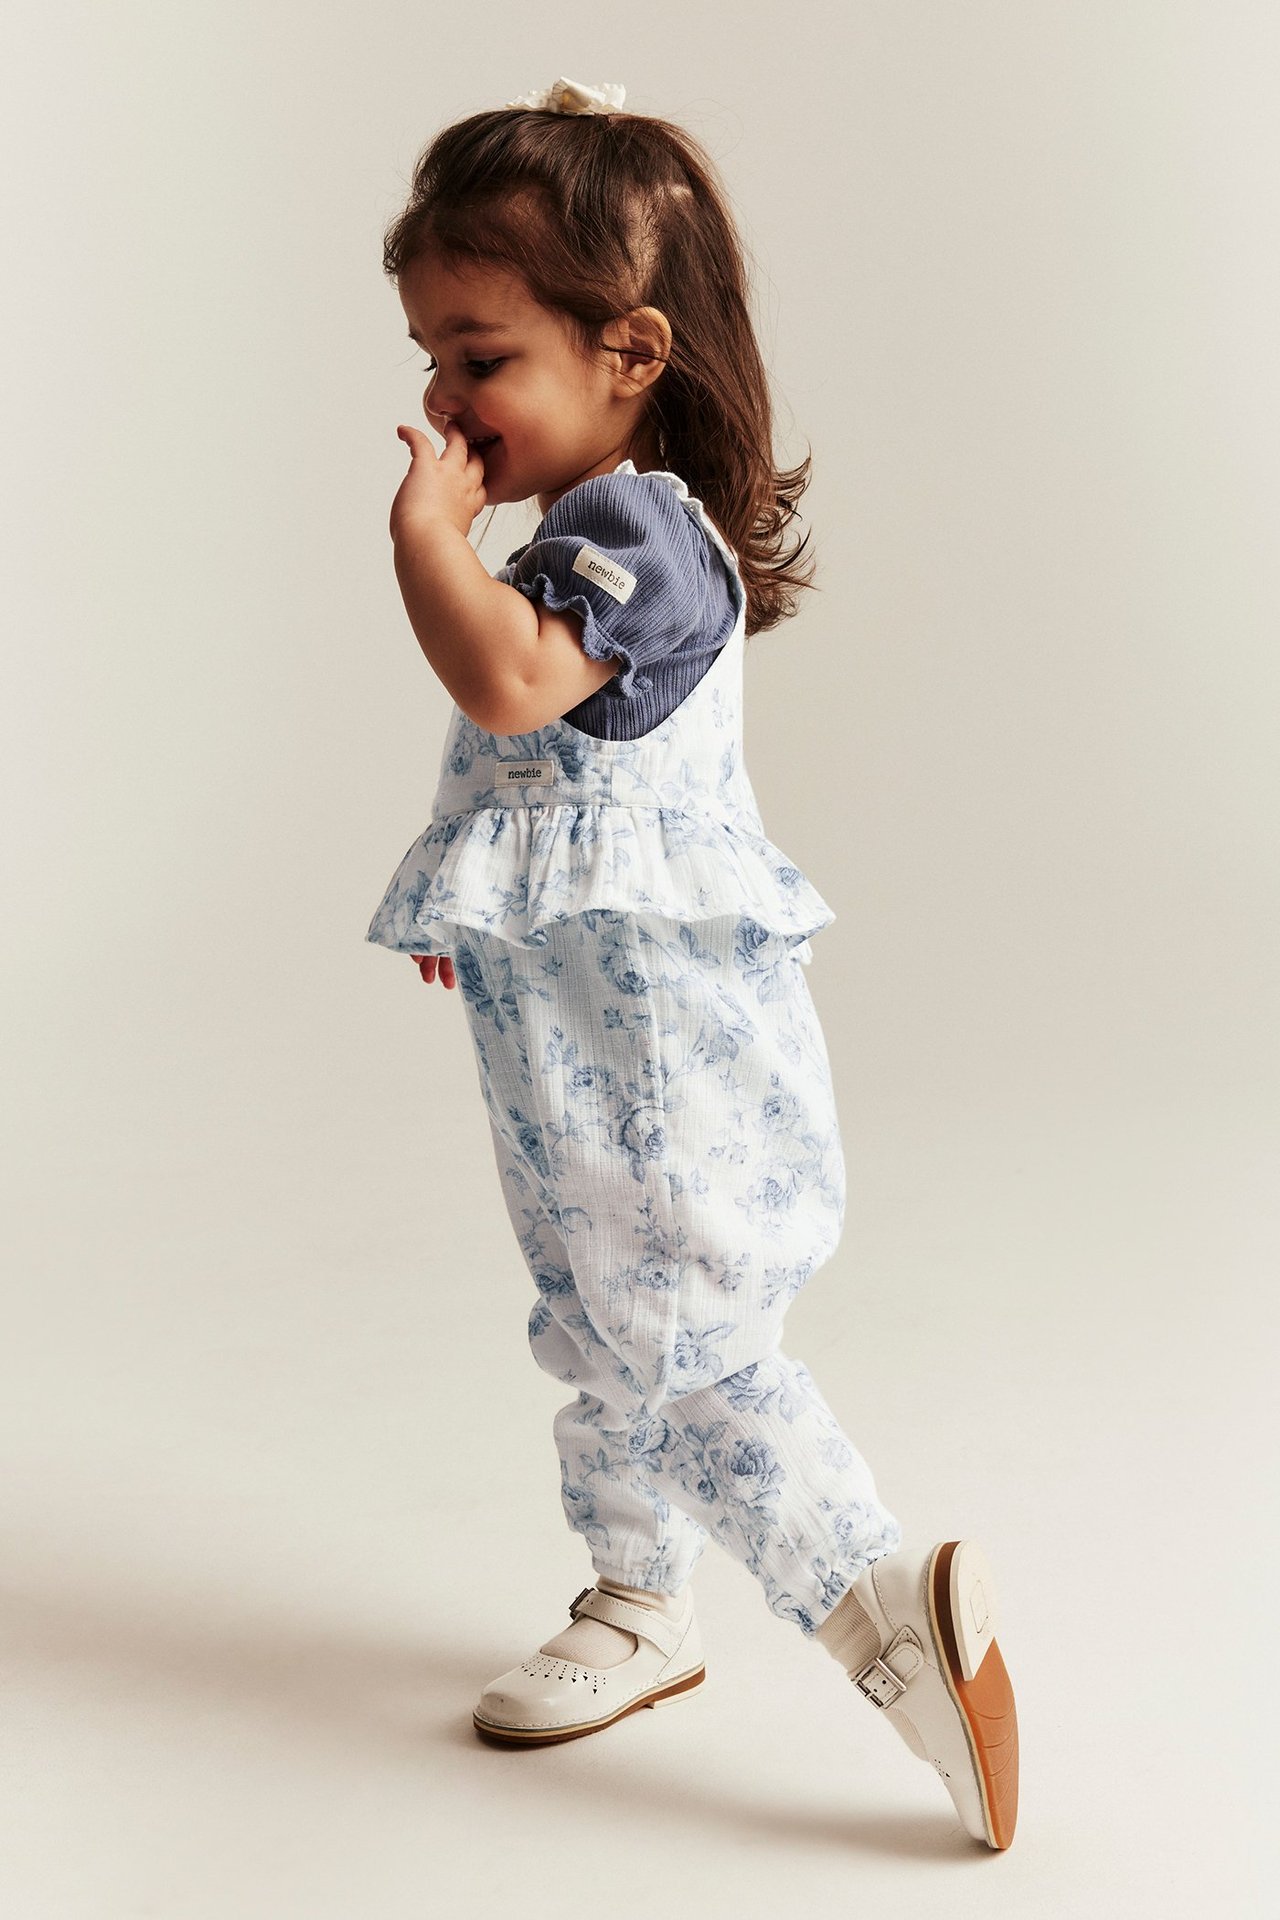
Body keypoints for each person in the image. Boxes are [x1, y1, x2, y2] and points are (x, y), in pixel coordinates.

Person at [365, 75, 1019, 1851]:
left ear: (630, 352)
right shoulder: (581, 537)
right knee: (596, 1315)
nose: (443, 399)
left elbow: (510, 684)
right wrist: (491, 913)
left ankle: (886, 1610)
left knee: (686, 1335)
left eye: (481, 357)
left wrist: (423, 541)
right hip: (577, 1029)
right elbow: (549, 776)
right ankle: (640, 1596)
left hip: (661, 1048)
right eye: (428, 357)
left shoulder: (639, 537)